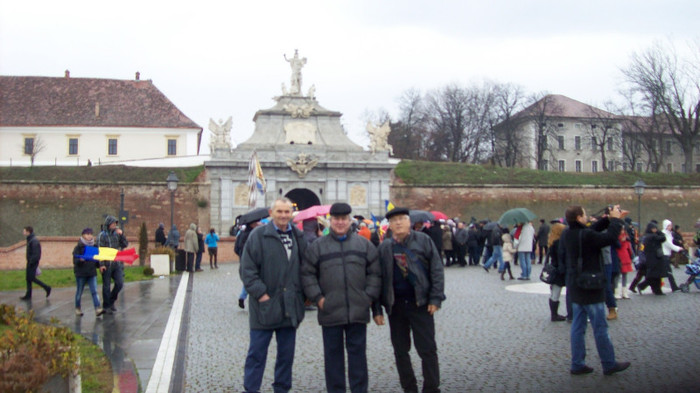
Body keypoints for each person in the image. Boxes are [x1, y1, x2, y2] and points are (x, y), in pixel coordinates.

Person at [302, 202, 381, 393]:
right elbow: (307, 274)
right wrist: (318, 298)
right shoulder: (317, 247)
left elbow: (375, 273)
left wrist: (368, 296)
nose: (339, 222)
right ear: (330, 221)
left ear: (349, 220)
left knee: (358, 358)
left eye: (343, 219)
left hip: (357, 310)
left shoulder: (364, 245)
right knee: (333, 359)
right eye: (336, 219)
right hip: (330, 310)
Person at [373, 207, 446, 393]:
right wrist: (377, 309)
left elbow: (436, 270)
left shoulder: (424, 241)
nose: (398, 223)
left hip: (420, 303)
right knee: (400, 351)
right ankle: (409, 387)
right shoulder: (384, 247)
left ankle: (431, 387)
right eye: (394, 220)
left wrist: (435, 298)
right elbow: (377, 278)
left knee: (427, 349)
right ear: (389, 225)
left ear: (409, 221)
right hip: (396, 305)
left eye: (402, 219)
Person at [239, 198, 306, 393]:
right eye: (280, 212)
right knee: (257, 354)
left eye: (287, 212)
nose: (284, 215)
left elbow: (307, 266)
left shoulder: (298, 236)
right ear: (271, 212)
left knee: (286, 355)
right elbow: (247, 270)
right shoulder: (258, 236)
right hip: (264, 306)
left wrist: (304, 295)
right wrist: (261, 295)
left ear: (292, 213)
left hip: (290, 305)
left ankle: (282, 388)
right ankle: (251, 389)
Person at [560, 204, 630, 376]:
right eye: (584, 214)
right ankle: (609, 363)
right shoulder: (587, 235)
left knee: (578, 327)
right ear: (578, 218)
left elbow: (591, 230)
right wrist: (615, 220)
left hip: (576, 286)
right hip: (591, 287)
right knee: (600, 328)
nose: (587, 217)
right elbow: (609, 238)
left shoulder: (568, 233)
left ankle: (577, 364)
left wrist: (606, 219)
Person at [98, 215, 128, 313]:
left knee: (119, 283)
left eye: (115, 223)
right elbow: (100, 250)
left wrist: (122, 234)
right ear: (108, 224)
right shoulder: (102, 235)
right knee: (106, 286)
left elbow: (124, 244)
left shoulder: (116, 234)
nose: (114, 225)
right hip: (106, 263)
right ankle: (106, 306)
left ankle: (111, 301)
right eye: (113, 223)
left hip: (116, 263)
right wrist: (101, 264)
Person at [72, 227, 104, 316]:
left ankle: (98, 308)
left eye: (91, 234)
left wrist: (101, 265)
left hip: (91, 272)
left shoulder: (94, 247)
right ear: (83, 235)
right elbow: (75, 261)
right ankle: (78, 308)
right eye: (87, 234)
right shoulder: (78, 247)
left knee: (94, 291)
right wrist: (80, 260)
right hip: (81, 273)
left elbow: (97, 260)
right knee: (79, 291)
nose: (89, 236)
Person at [235, 219, 264, 309]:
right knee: (255, 279)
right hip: (253, 260)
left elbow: (236, 248)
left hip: (244, 259)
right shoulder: (254, 235)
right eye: (257, 222)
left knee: (249, 279)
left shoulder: (241, 233)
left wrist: (241, 256)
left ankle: (243, 297)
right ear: (252, 224)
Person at [637, 222, 671, 295]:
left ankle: (656, 290)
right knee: (654, 276)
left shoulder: (647, 236)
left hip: (653, 258)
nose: (655, 230)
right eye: (654, 228)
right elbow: (663, 238)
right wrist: (659, 231)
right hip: (655, 259)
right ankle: (651, 288)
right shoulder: (652, 236)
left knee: (655, 276)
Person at [20, 226, 51, 299]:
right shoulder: (30, 240)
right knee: (28, 279)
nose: (23, 232)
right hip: (30, 262)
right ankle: (28, 295)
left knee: (32, 278)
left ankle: (47, 287)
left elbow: (36, 254)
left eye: (24, 231)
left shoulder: (34, 241)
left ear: (28, 232)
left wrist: (31, 262)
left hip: (32, 263)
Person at [546, 223, 567, 321]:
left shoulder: (552, 241)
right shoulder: (558, 243)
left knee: (554, 292)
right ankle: (554, 315)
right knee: (556, 293)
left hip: (554, 269)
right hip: (558, 270)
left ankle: (554, 314)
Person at [660, 219, 682, 291]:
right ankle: (674, 287)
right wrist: (678, 249)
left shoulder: (669, 233)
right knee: (668, 272)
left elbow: (672, 242)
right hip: (664, 254)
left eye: (671, 225)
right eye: (669, 226)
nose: (671, 227)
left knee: (663, 272)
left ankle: (674, 287)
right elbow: (669, 244)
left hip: (667, 254)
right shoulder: (664, 234)